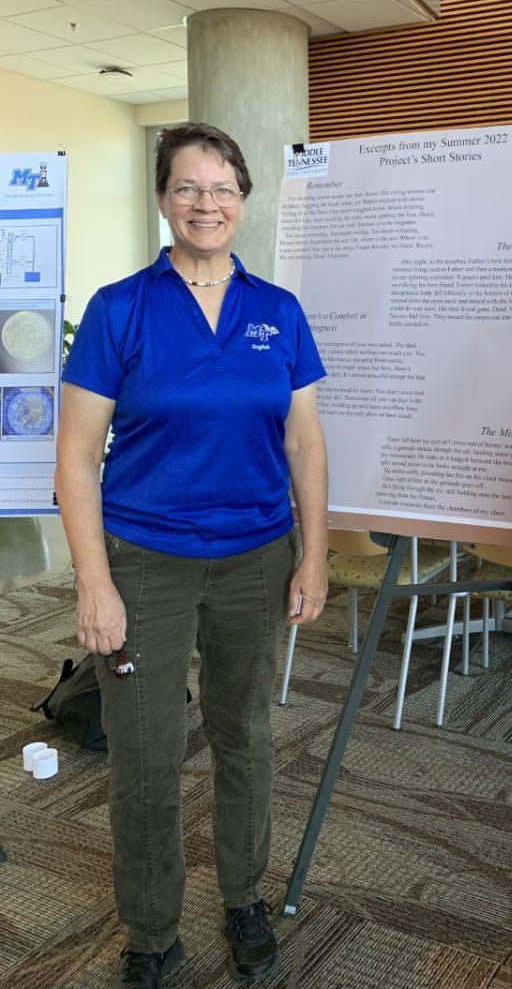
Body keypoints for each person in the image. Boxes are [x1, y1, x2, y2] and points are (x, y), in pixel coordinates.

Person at [56, 123, 329, 989]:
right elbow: (74, 457)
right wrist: (94, 582)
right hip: (145, 565)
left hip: (256, 558)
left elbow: (306, 443)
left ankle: (245, 897)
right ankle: (151, 933)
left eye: (222, 188)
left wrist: (314, 553)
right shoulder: (120, 308)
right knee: (146, 753)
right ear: (163, 199)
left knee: (245, 735)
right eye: (187, 187)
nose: (205, 203)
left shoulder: (278, 312)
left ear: (243, 200)